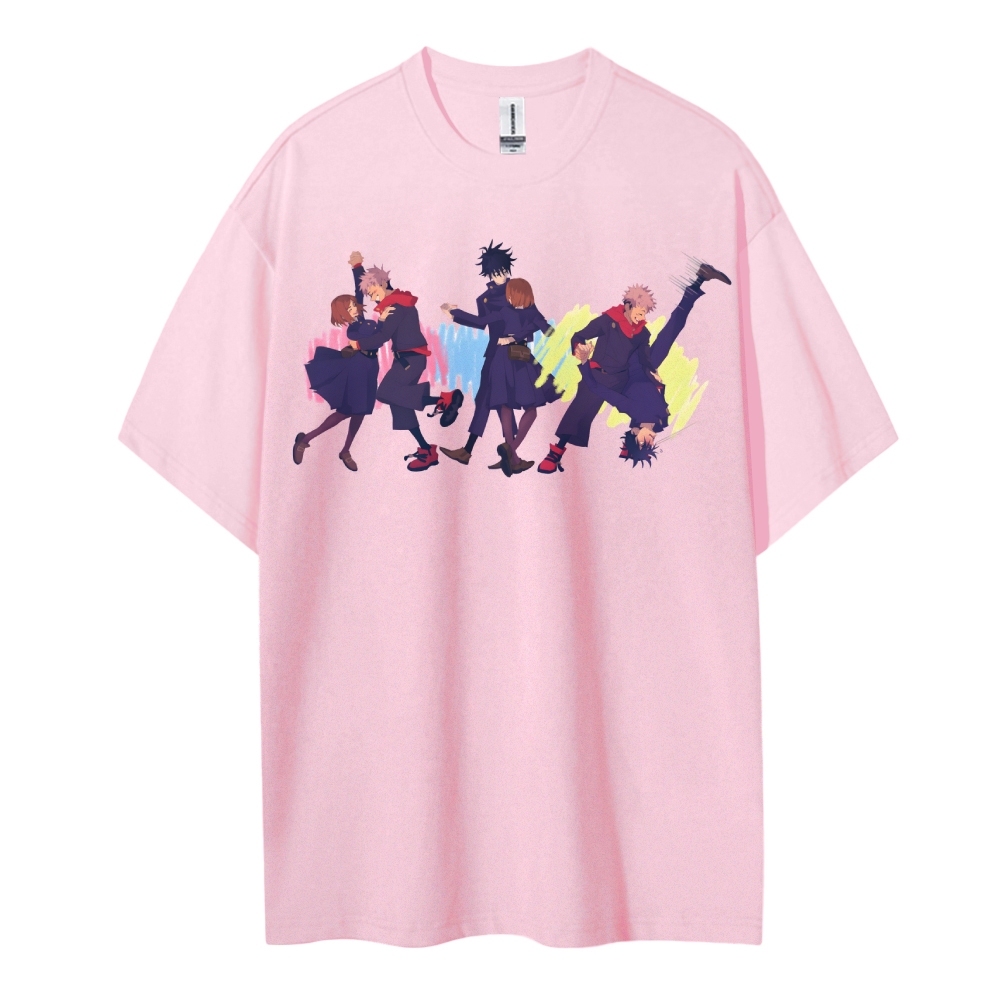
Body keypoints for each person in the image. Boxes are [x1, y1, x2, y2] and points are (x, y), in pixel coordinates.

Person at [537, 262, 731, 473]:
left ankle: (699, 279)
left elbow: (642, 357)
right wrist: (579, 348)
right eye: (640, 312)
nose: (642, 317)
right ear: (628, 306)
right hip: (616, 374)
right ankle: (698, 283)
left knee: (667, 335)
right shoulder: (607, 321)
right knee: (583, 406)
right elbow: (580, 335)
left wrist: (585, 362)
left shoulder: (641, 333)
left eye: (644, 313)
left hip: (628, 374)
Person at [354, 264, 463, 471]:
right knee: (400, 404)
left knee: (385, 392)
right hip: (406, 358)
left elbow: (383, 337)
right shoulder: (395, 305)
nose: (374, 298)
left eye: (374, 292)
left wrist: (358, 344)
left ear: (382, 283)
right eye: (371, 296)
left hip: (411, 359)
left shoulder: (396, 306)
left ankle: (444, 400)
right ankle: (426, 450)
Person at [293, 251, 380, 470]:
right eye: (347, 309)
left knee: (361, 411)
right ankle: (306, 440)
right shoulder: (355, 327)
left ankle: (345, 450)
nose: (353, 309)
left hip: (371, 367)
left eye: (352, 305)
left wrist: (357, 268)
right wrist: (356, 267)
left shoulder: (362, 318)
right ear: (342, 314)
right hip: (358, 368)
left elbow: (358, 291)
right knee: (346, 412)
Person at [439, 240, 517, 465]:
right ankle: (472, 451)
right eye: (495, 273)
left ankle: (509, 453)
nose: (499, 276)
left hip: (511, 354)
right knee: (485, 399)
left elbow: (527, 319)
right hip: (493, 354)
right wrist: (454, 314)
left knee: (502, 402)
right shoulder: (484, 298)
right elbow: (482, 323)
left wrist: (455, 314)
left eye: (502, 271)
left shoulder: (517, 291)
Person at [475, 277, 558, 476]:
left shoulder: (505, 311)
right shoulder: (531, 313)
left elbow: (480, 321)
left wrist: (454, 313)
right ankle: (511, 451)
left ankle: (512, 457)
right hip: (520, 359)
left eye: (509, 293)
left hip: (502, 359)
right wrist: (534, 326)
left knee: (505, 405)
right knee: (531, 408)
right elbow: (549, 332)